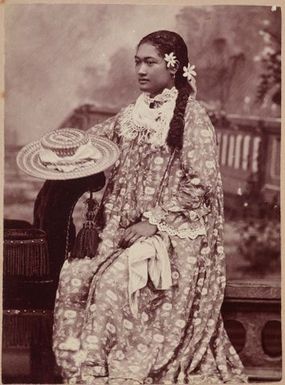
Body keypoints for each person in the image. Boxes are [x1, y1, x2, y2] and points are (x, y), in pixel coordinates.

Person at [52, 30, 248, 384]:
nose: (140, 70)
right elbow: (96, 138)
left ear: (173, 68)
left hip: (172, 235)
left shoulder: (192, 117)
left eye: (150, 62)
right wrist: (64, 148)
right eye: (137, 62)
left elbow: (200, 183)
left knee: (114, 283)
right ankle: (81, 369)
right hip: (120, 227)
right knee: (75, 275)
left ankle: (114, 371)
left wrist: (154, 223)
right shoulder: (133, 114)